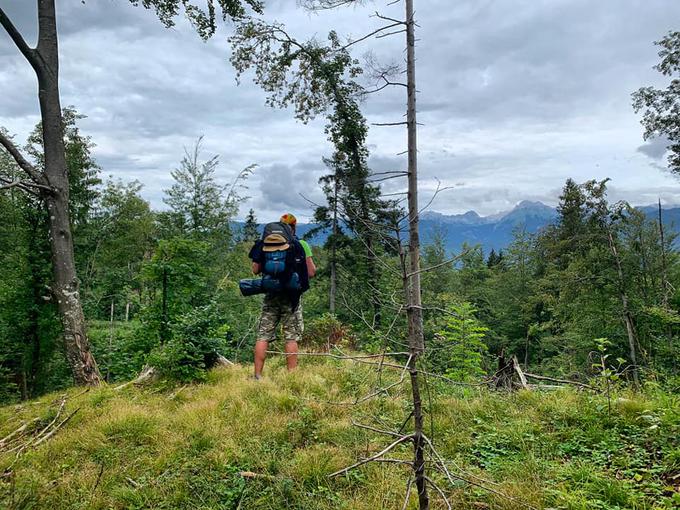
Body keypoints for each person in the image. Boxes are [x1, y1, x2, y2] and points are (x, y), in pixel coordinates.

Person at [249, 213, 316, 378]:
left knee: (263, 335)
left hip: (271, 294)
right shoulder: (300, 244)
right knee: (291, 337)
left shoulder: (264, 243)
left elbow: (255, 270)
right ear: (293, 227)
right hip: (291, 297)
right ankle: (291, 377)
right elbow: (311, 272)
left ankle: (257, 376)